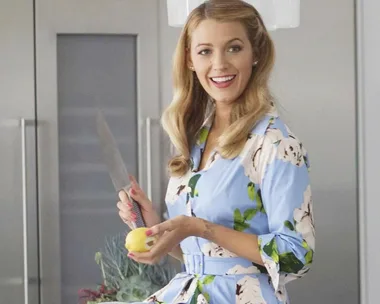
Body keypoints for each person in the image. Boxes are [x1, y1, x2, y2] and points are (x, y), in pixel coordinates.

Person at [116, 1, 315, 303]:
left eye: (234, 48)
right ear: (190, 60)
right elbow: (205, 257)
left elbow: (296, 256)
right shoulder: (196, 137)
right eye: (205, 51)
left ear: (256, 53)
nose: (219, 64)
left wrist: (197, 227)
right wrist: (157, 226)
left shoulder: (275, 144)